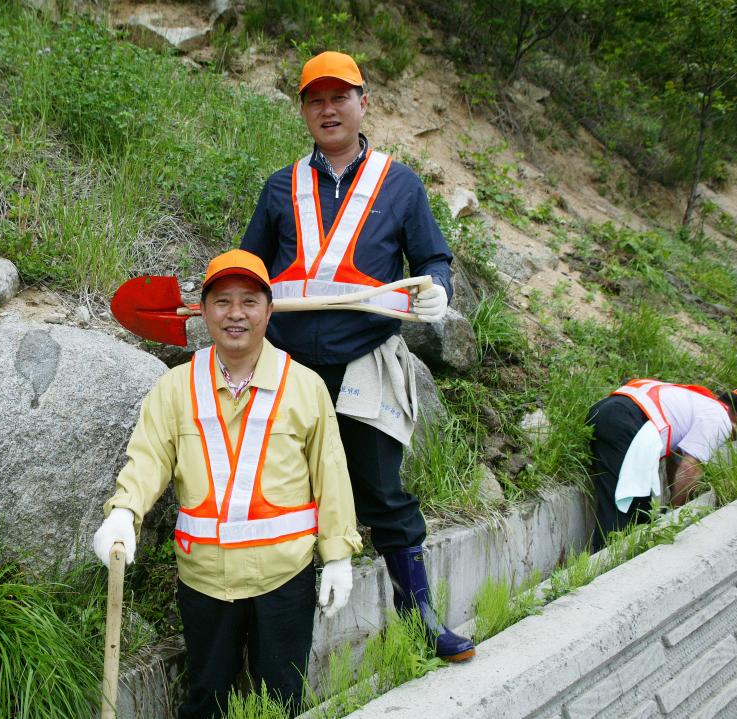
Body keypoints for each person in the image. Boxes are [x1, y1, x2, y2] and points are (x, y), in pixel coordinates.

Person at [239, 50, 475, 663]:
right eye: (315, 100)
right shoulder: (280, 187)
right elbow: (249, 271)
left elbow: (433, 259)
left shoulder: (401, 185)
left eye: (339, 97)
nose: (328, 109)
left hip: (366, 366)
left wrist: (435, 290)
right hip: (287, 368)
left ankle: (420, 622)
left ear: (363, 102)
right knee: (283, 499)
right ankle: (278, 649)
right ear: (303, 112)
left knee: (383, 495)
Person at [93, 249, 363, 719]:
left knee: (282, 702)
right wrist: (124, 512)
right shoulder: (175, 388)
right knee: (206, 699)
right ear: (203, 311)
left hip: (283, 576)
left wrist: (338, 554)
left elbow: (331, 473)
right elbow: (149, 457)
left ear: (268, 310)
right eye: (222, 301)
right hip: (204, 581)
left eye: (249, 301)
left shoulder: (305, 387)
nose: (235, 313)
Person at [587, 380, 737, 550]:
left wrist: (674, 496)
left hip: (607, 410)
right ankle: (606, 562)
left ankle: (617, 558)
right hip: (624, 422)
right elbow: (690, 469)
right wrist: (673, 517)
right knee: (625, 505)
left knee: (640, 509)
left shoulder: (702, 404)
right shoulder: (721, 420)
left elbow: (677, 460)